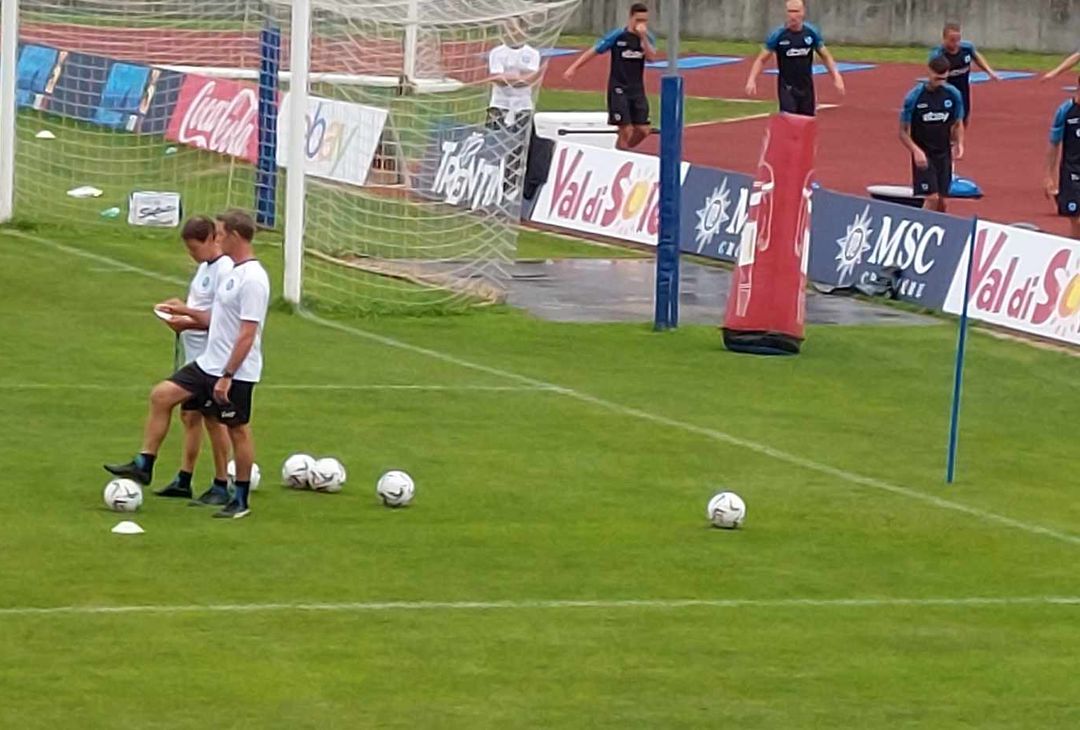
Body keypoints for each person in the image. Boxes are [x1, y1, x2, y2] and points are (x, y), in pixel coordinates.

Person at [105, 210, 271, 520]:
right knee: (162, 395)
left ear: (235, 236)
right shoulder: (233, 273)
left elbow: (248, 334)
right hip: (207, 364)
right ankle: (144, 464)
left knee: (236, 430)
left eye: (221, 234)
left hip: (232, 371)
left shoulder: (253, 279)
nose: (218, 239)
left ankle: (239, 498)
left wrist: (228, 375)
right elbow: (214, 320)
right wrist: (185, 315)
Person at [153, 216, 234, 503]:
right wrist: (179, 312)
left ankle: (223, 484)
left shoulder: (225, 269)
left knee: (214, 419)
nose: (192, 254)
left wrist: (185, 320)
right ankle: (184, 479)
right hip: (194, 354)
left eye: (194, 248)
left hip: (212, 357)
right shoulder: (204, 268)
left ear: (212, 239)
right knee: (190, 415)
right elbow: (199, 308)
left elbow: (221, 321)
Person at [562, 2, 657, 150]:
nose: (641, 24)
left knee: (643, 130)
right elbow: (595, 50)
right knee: (625, 129)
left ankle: (622, 151)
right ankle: (623, 153)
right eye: (638, 20)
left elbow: (651, 57)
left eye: (644, 21)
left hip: (637, 89)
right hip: (619, 88)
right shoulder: (618, 35)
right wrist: (573, 68)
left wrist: (643, 37)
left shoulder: (648, 38)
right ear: (631, 18)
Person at [744, 0, 845, 116]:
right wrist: (752, 80)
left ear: (803, 13)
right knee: (789, 121)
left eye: (796, 11)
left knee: (807, 124)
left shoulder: (811, 33)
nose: (793, 15)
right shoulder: (778, 35)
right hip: (787, 87)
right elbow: (761, 59)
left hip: (807, 88)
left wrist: (836, 77)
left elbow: (826, 56)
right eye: (790, 11)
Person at [899, 56, 965, 213]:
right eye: (937, 78)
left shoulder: (953, 94)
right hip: (924, 154)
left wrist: (960, 143)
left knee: (942, 202)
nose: (940, 82)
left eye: (944, 78)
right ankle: (919, 229)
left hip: (944, 153)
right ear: (929, 72)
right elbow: (902, 132)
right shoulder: (914, 97)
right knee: (932, 198)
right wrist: (916, 151)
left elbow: (958, 122)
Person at [929, 22, 1000, 127]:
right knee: (949, 120)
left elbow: (976, 57)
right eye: (952, 40)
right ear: (944, 39)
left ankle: (957, 141)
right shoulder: (938, 54)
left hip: (963, 90)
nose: (956, 43)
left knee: (964, 119)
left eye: (958, 40)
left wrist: (990, 72)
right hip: (946, 91)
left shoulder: (967, 48)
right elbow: (932, 72)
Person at [487, 18, 542, 134]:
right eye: (507, 29)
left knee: (521, 141)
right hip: (499, 103)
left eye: (512, 29)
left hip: (523, 105)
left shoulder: (533, 54)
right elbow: (498, 80)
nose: (509, 33)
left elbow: (529, 80)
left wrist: (507, 77)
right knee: (493, 140)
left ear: (523, 30)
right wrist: (519, 77)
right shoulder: (496, 53)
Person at [1044, 83, 1080, 240]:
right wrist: (1048, 176)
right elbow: (1054, 144)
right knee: (1076, 220)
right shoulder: (1066, 111)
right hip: (1072, 173)